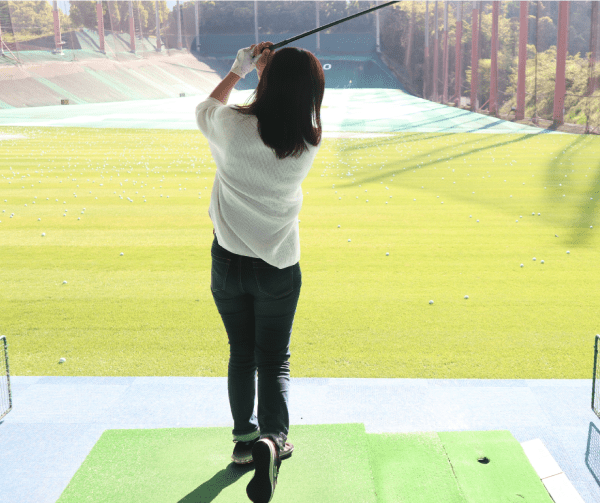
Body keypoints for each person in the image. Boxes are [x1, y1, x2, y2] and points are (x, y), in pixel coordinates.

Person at [195, 41, 325, 502]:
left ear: (267, 80)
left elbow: (205, 109)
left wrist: (241, 69)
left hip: (228, 263)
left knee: (241, 353)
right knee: (274, 359)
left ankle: (244, 441)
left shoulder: (231, 125)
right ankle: (273, 438)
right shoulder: (308, 140)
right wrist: (271, 72)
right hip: (278, 268)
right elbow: (283, 109)